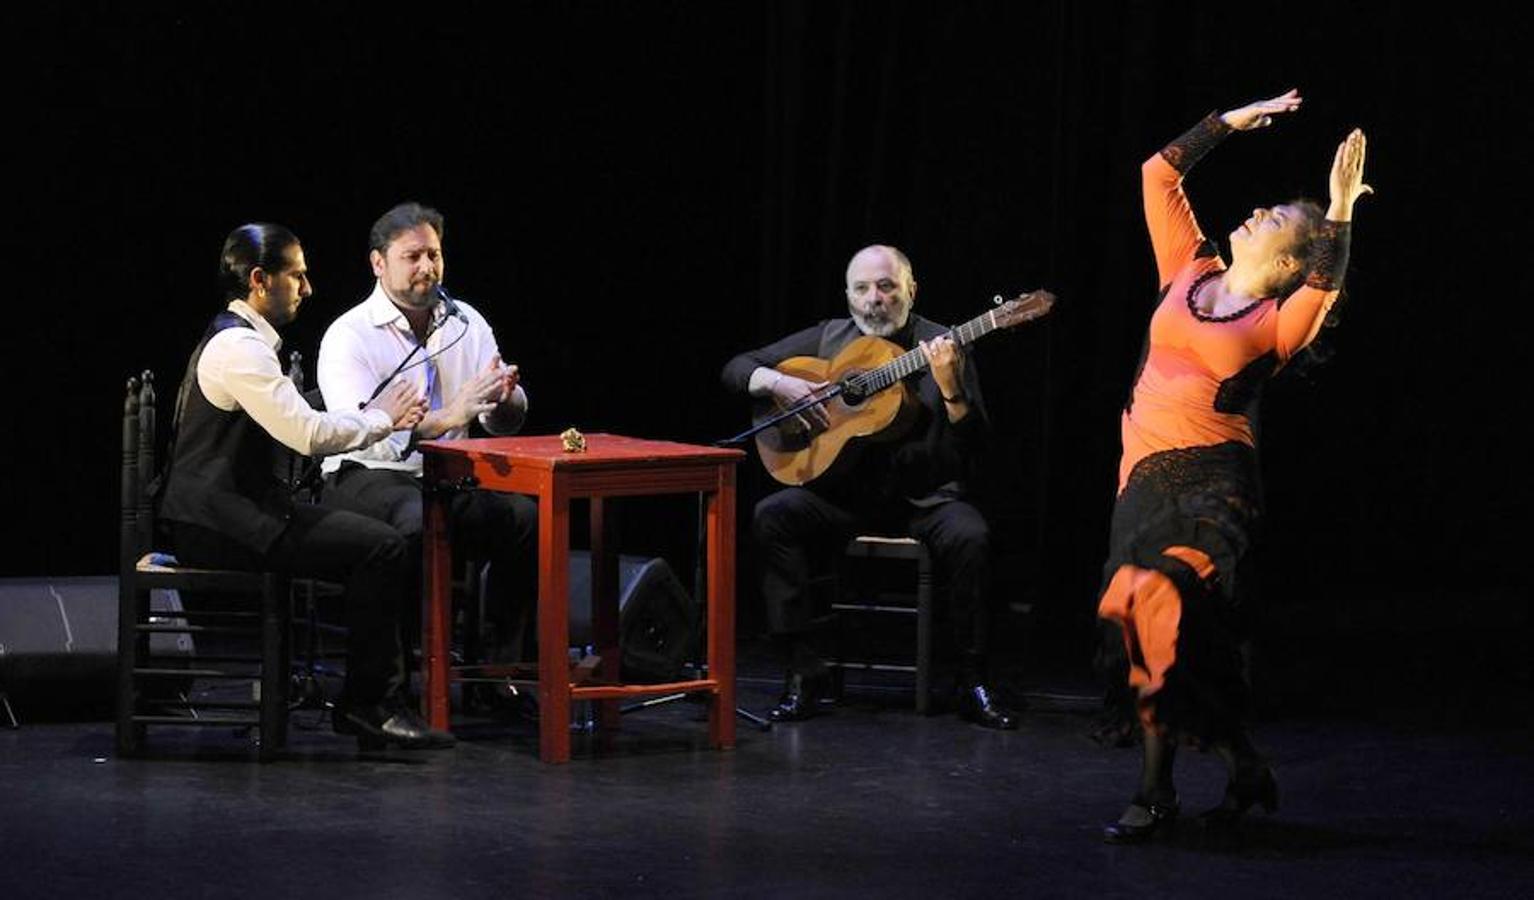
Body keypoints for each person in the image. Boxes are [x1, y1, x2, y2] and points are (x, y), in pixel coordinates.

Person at [1097, 90, 1370, 842]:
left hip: (1212, 488)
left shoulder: (1273, 325)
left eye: (1273, 221)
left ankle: (1153, 792)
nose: (1254, 214)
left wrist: (1340, 207)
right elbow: (1157, 175)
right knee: (1152, 631)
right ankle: (1241, 762)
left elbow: (1325, 289)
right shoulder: (1188, 269)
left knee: (1157, 606)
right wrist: (1225, 124)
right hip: (1141, 480)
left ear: (1285, 261)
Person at [158, 222, 454, 750]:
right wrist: (381, 418)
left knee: (374, 541)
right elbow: (306, 433)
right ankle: (370, 706)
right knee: (382, 547)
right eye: (295, 276)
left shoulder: (240, 341)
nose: (307, 287)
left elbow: (293, 422)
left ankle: (371, 700)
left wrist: (356, 411)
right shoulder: (238, 348)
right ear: (258, 279)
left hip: (238, 512)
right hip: (218, 523)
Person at [721, 244, 1018, 729]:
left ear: (910, 290)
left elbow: (977, 444)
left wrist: (951, 390)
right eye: (862, 288)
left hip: (923, 499)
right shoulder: (829, 337)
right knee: (772, 514)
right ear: (848, 295)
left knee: (972, 537)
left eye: (886, 286)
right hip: (843, 497)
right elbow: (735, 367)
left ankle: (971, 678)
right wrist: (779, 383)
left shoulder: (941, 343)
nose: (874, 299)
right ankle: (804, 672)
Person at [316, 202, 538, 677]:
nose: (427, 267)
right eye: (412, 256)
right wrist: (447, 417)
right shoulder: (348, 335)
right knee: (413, 521)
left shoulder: (466, 322)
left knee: (524, 518)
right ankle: (399, 673)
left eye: (434, 255)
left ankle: (499, 672)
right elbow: (359, 437)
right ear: (379, 263)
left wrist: (506, 399)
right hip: (369, 475)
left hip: (447, 477)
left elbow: (498, 423)